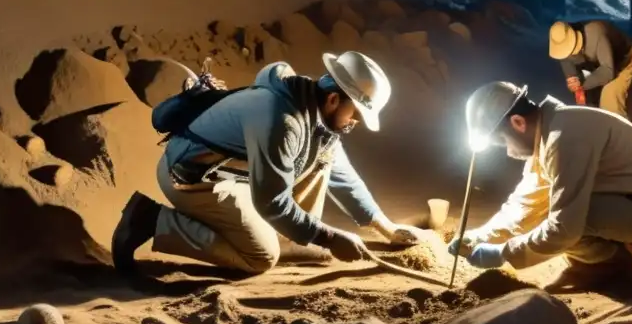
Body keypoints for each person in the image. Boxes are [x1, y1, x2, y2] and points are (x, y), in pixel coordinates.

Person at [111, 52, 422, 276]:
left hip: (235, 177)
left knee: (323, 162)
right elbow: (272, 202)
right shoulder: (283, 120)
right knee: (260, 258)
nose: (355, 123)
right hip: (194, 179)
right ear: (332, 99)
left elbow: (342, 174)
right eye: (355, 114)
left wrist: (386, 227)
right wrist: (328, 237)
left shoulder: (313, 113)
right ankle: (151, 220)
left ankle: (288, 234)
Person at [448, 81, 632, 289]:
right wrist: (480, 236)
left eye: (502, 143)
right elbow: (525, 204)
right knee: (550, 210)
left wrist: (503, 253)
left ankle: (610, 268)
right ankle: (625, 241)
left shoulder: (564, 138)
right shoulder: (551, 131)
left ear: (518, 122)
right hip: (630, 199)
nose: (509, 152)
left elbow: (564, 228)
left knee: (563, 219)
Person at [548, 20, 632, 118]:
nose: (566, 56)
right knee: (588, 102)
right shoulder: (562, 43)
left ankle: (622, 131)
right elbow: (571, 72)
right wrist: (574, 82)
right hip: (595, 63)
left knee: (609, 101)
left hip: (622, 60)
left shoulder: (596, 34)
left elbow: (608, 71)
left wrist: (583, 84)